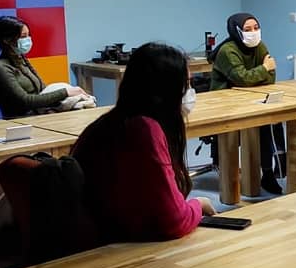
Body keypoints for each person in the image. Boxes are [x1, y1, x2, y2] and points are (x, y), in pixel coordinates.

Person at [72, 42, 216, 241]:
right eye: (186, 84)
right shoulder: (144, 130)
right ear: (166, 88)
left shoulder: (113, 123)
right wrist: (198, 205)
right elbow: (173, 221)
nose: (189, 92)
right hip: (109, 245)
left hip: (108, 235)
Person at [209, 13, 284, 195]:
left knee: (271, 120)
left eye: (256, 28)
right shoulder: (227, 51)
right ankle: (237, 178)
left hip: (251, 99)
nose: (254, 32)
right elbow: (242, 78)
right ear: (236, 31)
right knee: (261, 126)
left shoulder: (260, 46)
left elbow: (271, 77)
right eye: (248, 29)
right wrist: (263, 69)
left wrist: (258, 75)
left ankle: (270, 171)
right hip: (226, 103)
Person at [0, 15, 88, 117]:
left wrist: (65, 95)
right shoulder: (1, 67)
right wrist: (65, 92)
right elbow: (25, 101)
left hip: (40, 112)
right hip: (24, 118)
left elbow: (42, 90)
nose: (27, 40)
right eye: (23, 36)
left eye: (28, 35)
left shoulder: (21, 59)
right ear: (7, 40)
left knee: (84, 104)